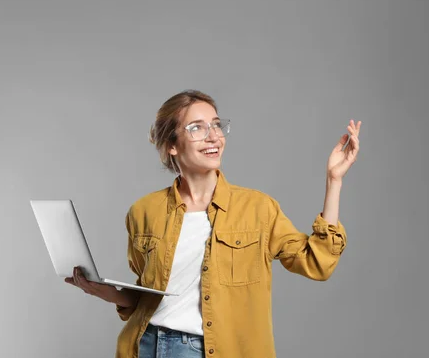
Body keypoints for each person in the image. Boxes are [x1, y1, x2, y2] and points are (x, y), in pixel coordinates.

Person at [65, 89, 361, 358]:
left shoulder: (258, 208)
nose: (213, 136)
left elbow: (317, 263)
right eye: (197, 128)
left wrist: (334, 181)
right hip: (145, 345)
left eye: (217, 125)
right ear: (171, 145)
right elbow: (146, 296)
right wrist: (103, 291)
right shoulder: (143, 211)